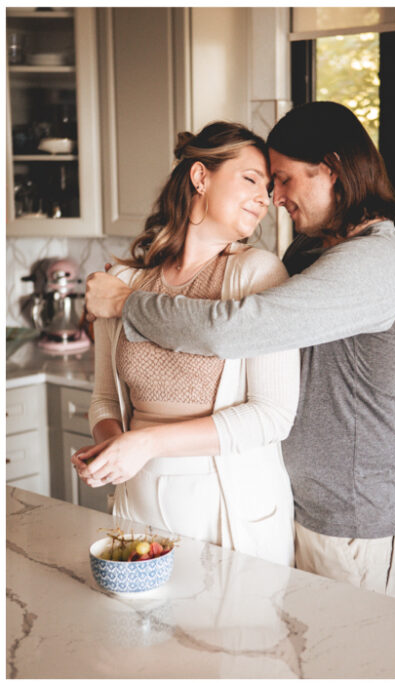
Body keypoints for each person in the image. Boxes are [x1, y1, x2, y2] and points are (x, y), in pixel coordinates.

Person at [85, 102, 395, 598]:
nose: (273, 198)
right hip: (287, 500)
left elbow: (238, 328)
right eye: (262, 181)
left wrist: (126, 304)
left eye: (282, 179)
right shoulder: (309, 250)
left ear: (330, 169)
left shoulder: (378, 261)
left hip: (346, 515)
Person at [77, 121, 300, 567]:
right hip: (138, 502)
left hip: (229, 509)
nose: (265, 199)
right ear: (201, 177)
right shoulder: (123, 283)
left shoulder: (258, 274)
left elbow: (271, 416)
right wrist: (112, 450)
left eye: (268, 188)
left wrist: (145, 444)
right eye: (251, 180)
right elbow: (104, 400)